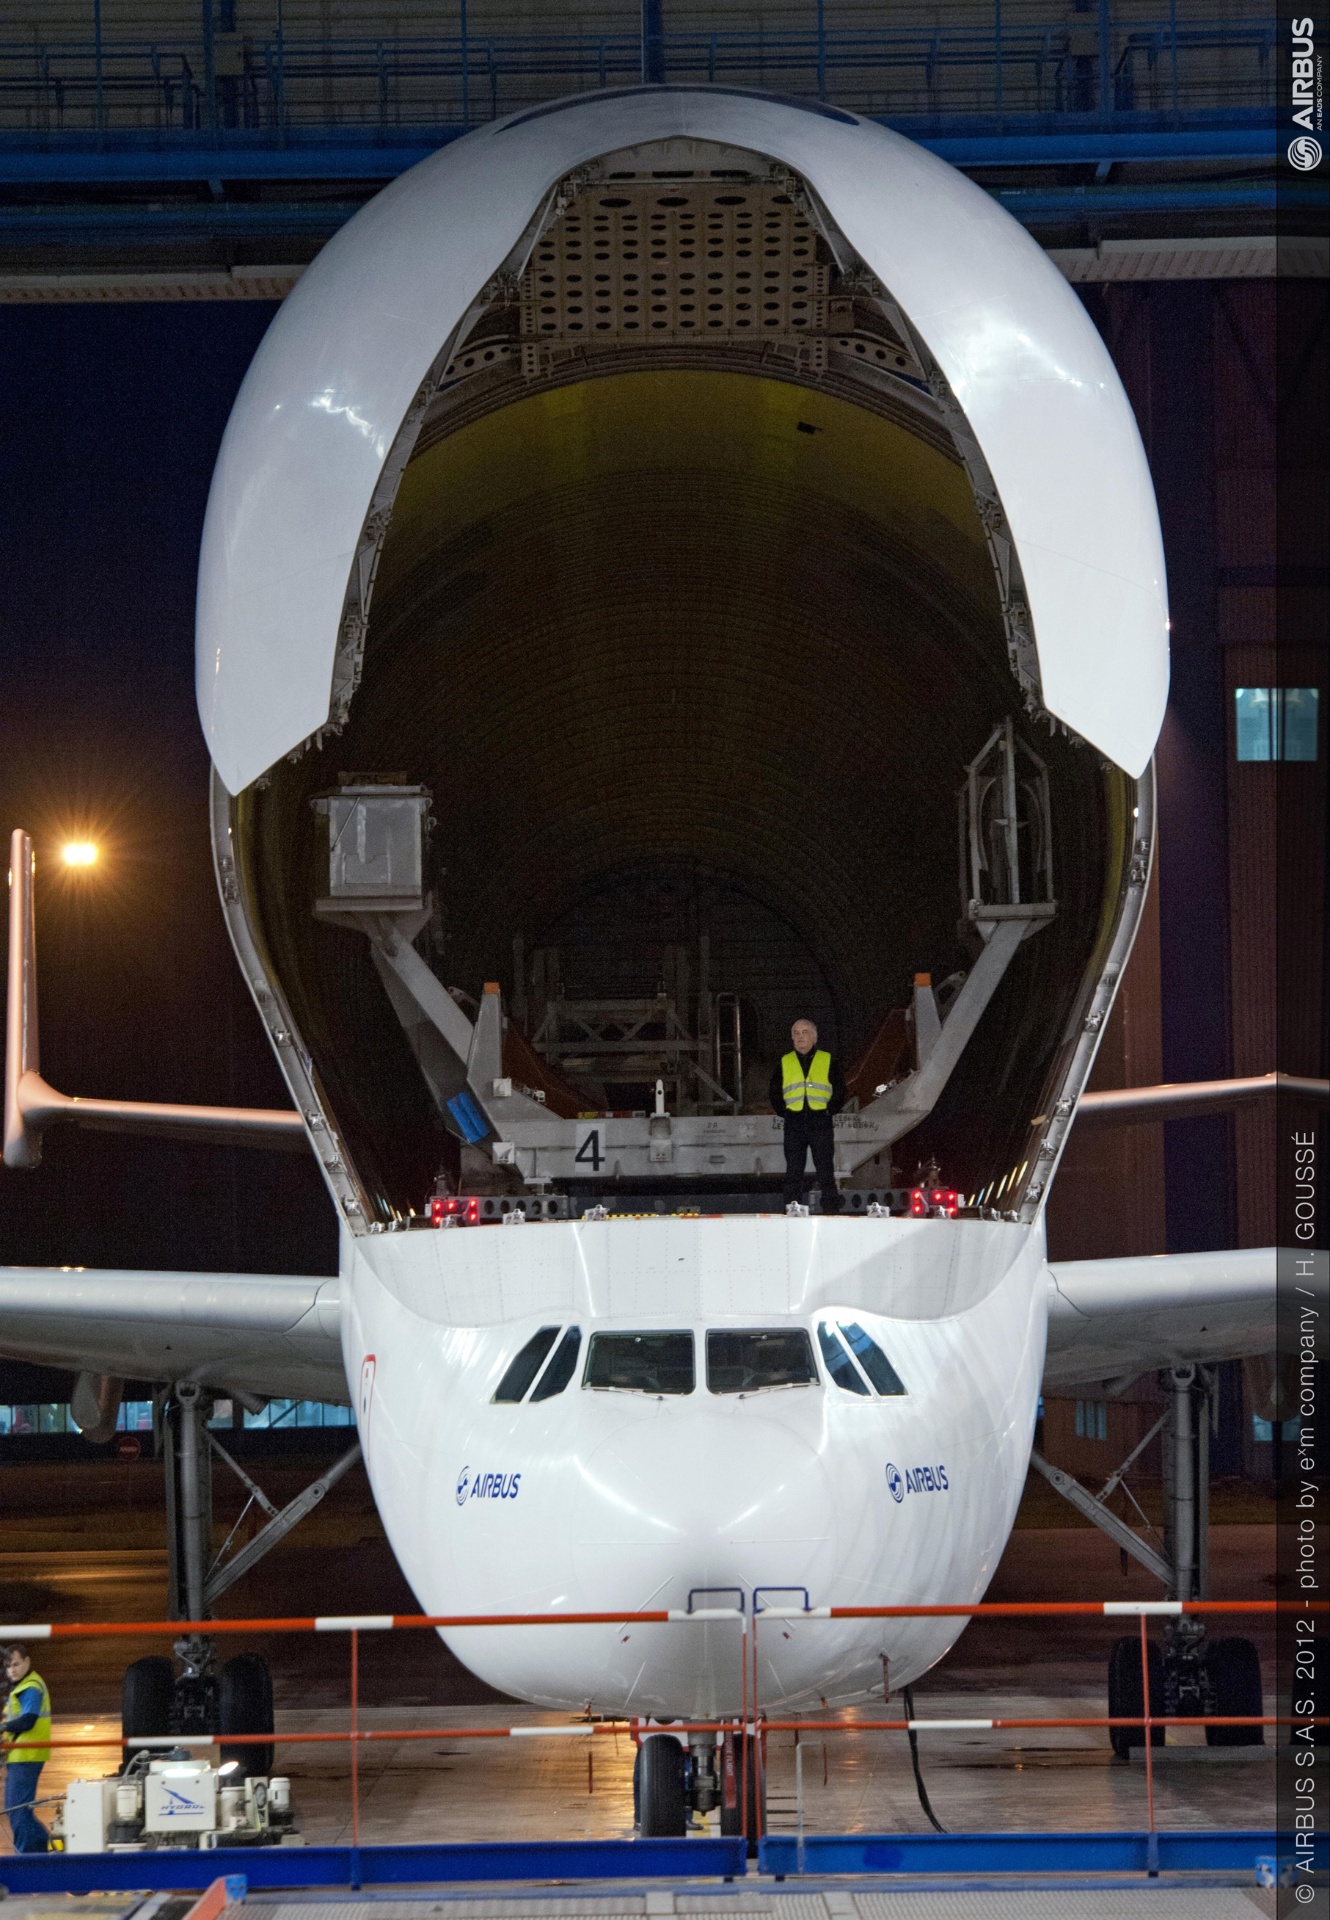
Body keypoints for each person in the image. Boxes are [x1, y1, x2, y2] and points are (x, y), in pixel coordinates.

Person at [769, 1017, 846, 1213]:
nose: (800, 1037)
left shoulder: (827, 1060)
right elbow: (775, 1091)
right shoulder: (784, 1062)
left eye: (804, 1033)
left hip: (820, 1121)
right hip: (794, 1123)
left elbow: (840, 1089)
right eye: (796, 1033)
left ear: (814, 1037)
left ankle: (831, 1211)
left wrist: (830, 1110)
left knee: (825, 1170)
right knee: (793, 1171)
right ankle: (792, 1209)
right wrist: (784, 1112)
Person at [3, 1642, 52, 1852]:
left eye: (15, 1664)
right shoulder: (23, 1687)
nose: (12, 1670)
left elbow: (28, 1720)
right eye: (7, 1666)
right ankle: (51, 1849)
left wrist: (2, 1726)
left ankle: (25, 1857)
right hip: (20, 1756)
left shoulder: (30, 1687)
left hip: (27, 1756)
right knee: (20, 1811)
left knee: (18, 1812)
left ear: (27, 1662)